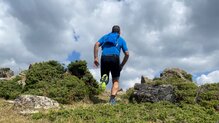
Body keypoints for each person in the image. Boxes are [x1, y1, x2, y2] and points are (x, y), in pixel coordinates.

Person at [93, 25, 129, 104]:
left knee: (105, 76)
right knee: (115, 80)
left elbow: (96, 44)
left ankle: (104, 80)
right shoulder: (121, 39)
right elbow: (127, 54)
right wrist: (122, 65)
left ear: (112, 31)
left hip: (104, 57)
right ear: (119, 32)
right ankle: (112, 99)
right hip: (115, 58)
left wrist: (95, 58)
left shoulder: (106, 37)